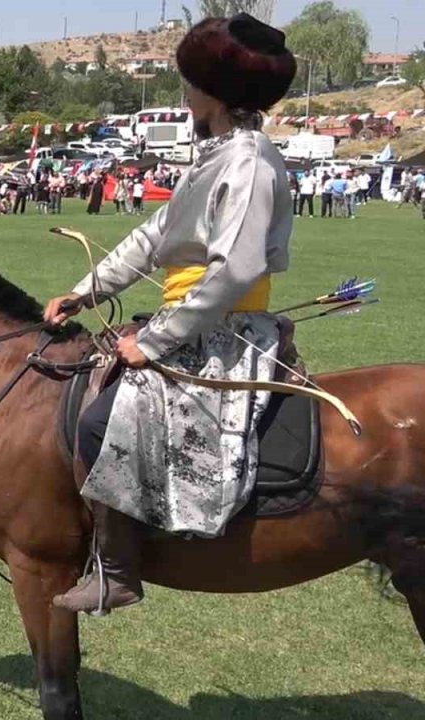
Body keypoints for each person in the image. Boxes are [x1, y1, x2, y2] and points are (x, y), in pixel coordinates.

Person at [43, 12, 297, 614]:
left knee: (103, 418)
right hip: (192, 317)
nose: (184, 95)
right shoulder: (217, 156)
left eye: (191, 83)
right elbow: (151, 238)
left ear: (216, 91)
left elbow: (232, 273)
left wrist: (152, 342)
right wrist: (87, 292)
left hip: (224, 329)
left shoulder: (250, 161)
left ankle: (120, 570)